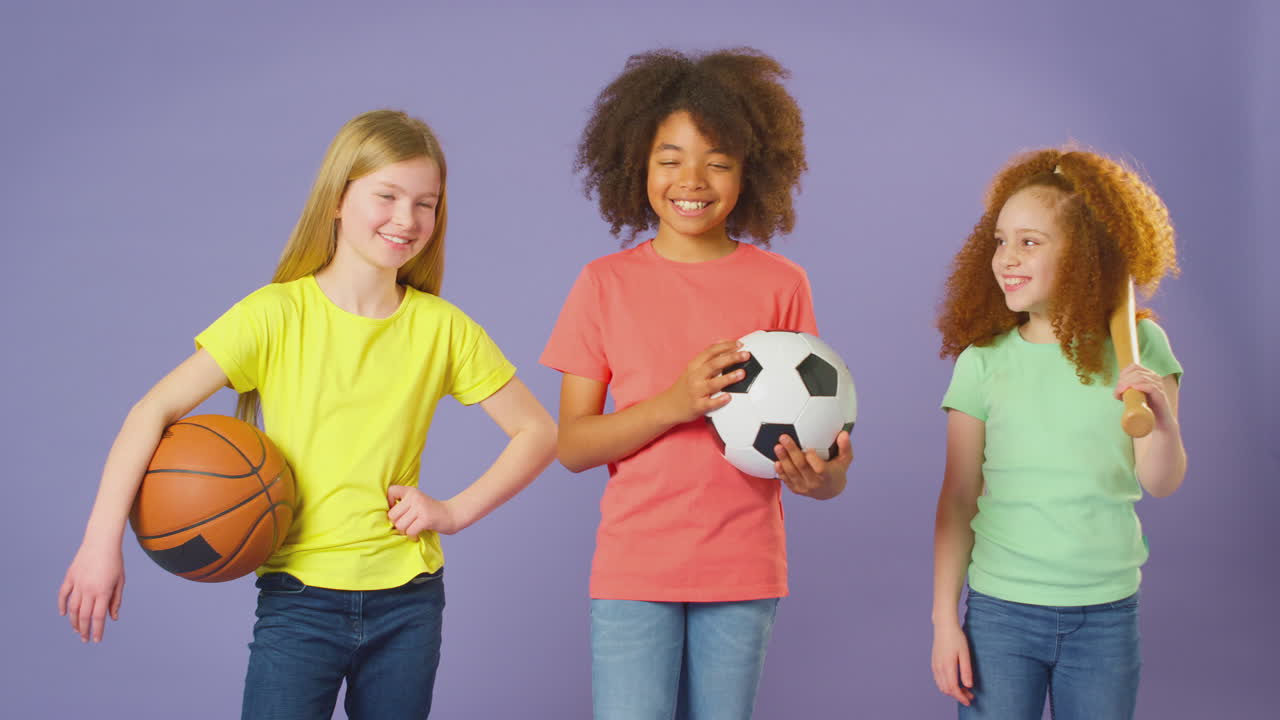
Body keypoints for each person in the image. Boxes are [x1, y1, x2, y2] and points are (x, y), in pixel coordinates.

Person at [57, 109, 557, 719]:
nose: (407, 218)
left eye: (426, 203)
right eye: (388, 195)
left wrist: (452, 511)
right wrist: (99, 543)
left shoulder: (442, 329)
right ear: (338, 200)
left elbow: (538, 432)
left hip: (409, 601)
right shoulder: (274, 315)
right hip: (298, 599)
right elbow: (151, 410)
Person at [542, 48, 852, 719]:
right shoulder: (604, 285)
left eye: (718, 161)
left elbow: (823, 462)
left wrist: (822, 476)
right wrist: (675, 404)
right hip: (634, 568)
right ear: (637, 164)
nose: (693, 179)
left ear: (751, 172)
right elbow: (573, 446)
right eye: (670, 157)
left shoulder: (782, 284)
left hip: (744, 568)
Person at [929, 148, 1186, 719]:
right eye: (1001, 240)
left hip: (1106, 615)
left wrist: (1162, 424)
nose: (1006, 259)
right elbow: (957, 499)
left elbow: (1161, 480)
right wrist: (946, 622)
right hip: (1000, 614)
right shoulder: (982, 362)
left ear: (1084, 255)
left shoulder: (1140, 354)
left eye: (1030, 242)